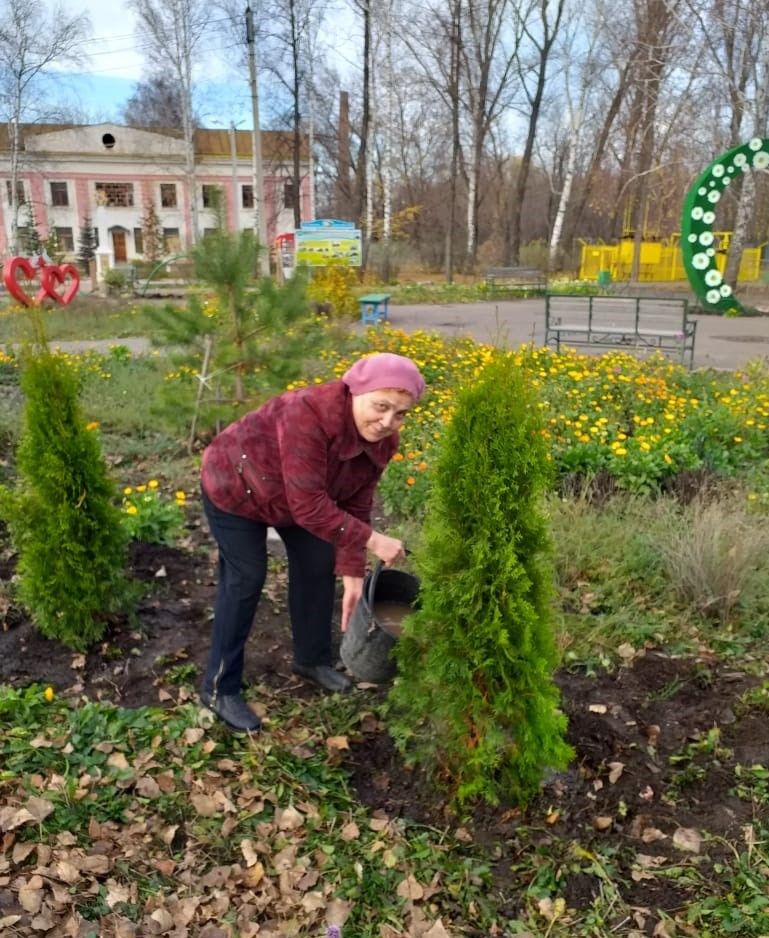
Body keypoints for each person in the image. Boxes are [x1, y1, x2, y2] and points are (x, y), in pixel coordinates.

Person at [198, 352, 426, 732]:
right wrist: (373, 541)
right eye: (381, 406)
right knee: (246, 577)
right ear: (356, 391)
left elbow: (355, 501)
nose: (388, 422)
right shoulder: (306, 412)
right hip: (235, 486)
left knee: (319, 564)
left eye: (400, 413)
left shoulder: (384, 442)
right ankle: (219, 688)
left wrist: (353, 574)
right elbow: (310, 508)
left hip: (295, 498)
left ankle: (311, 659)